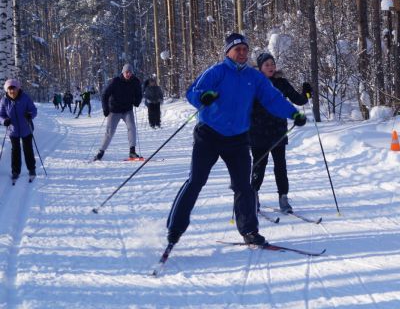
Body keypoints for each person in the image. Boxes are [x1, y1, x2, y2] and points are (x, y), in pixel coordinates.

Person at [165, 33, 307, 247]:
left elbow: (272, 98)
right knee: (196, 181)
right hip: (209, 134)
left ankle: (249, 230)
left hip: (238, 138)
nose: (241, 53)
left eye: (244, 50)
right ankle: (175, 229)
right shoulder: (217, 72)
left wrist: (292, 113)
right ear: (228, 52)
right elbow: (194, 91)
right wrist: (203, 97)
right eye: (237, 49)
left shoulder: (254, 77)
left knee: (244, 186)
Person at [250, 52, 312, 213]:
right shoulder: (254, 83)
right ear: (260, 67)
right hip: (258, 131)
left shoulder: (281, 83)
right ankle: (253, 196)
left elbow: (299, 100)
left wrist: (307, 93)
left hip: (278, 130)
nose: (270, 67)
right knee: (259, 165)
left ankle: (283, 198)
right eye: (267, 65)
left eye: (272, 64)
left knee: (280, 166)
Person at [93, 64, 142, 161]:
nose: (128, 74)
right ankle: (101, 152)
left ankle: (132, 152)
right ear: (123, 72)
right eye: (126, 72)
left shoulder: (135, 81)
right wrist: (105, 109)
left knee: (131, 127)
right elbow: (105, 95)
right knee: (110, 132)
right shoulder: (116, 81)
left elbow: (139, 93)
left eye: (130, 72)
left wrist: (137, 101)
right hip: (114, 110)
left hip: (127, 109)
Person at [0, 79, 37, 182]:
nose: (12, 91)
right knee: (15, 151)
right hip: (13, 130)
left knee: (28, 149)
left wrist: (30, 115)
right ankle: (15, 171)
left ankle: (32, 169)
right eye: (9, 89)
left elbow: (33, 110)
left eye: (14, 89)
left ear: (18, 88)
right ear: (7, 90)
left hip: (26, 128)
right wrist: (4, 121)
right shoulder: (4, 101)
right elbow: (1, 115)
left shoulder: (25, 98)